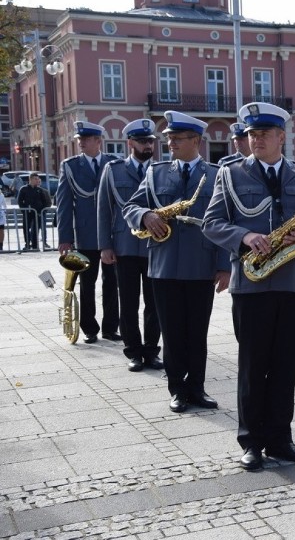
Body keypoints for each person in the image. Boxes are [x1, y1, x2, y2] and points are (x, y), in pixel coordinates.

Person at [203, 102, 295, 471]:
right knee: (252, 365)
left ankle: (280, 437)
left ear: (281, 137)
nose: (255, 140)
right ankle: (251, 442)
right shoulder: (229, 175)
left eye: (263, 134)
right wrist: (244, 236)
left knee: (285, 365)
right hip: (252, 285)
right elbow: (211, 223)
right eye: (250, 134)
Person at [123, 111, 230, 413]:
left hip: (202, 264)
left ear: (196, 140)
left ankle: (197, 387)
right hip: (164, 265)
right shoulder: (156, 172)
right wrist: (145, 215)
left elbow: (225, 220)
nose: (169, 143)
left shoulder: (216, 173)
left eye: (177, 138)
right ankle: (177, 389)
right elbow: (131, 205)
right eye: (168, 138)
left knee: (197, 332)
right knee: (171, 332)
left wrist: (225, 265)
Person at [97, 119, 162, 372]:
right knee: (129, 302)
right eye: (143, 141)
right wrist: (105, 246)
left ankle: (151, 350)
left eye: (151, 141)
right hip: (124, 246)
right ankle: (133, 351)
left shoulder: (161, 170)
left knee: (155, 303)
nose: (148, 146)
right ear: (130, 143)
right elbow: (104, 210)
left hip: (155, 246)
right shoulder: (113, 170)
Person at [56, 122, 120, 344]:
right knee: (88, 283)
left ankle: (111, 327)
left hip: (111, 235)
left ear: (98, 141)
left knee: (112, 282)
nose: (80, 142)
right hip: (85, 235)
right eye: (79, 139)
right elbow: (64, 205)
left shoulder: (113, 163)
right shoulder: (71, 166)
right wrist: (65, 238)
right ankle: (89, 328)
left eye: (86, 139)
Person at [17, 173, 52, 250]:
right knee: (26, 228)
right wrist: (24, 210)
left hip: (38, 213)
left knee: (35, 229)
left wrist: (42, 211)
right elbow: (20, 201)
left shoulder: (39, 190)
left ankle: (35, 245)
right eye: (35, 179)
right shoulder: (24, 189)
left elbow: (45, 202)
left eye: (38, 179)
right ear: (30, 180)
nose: (37, 181)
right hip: (27, 212)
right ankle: (27, 244)